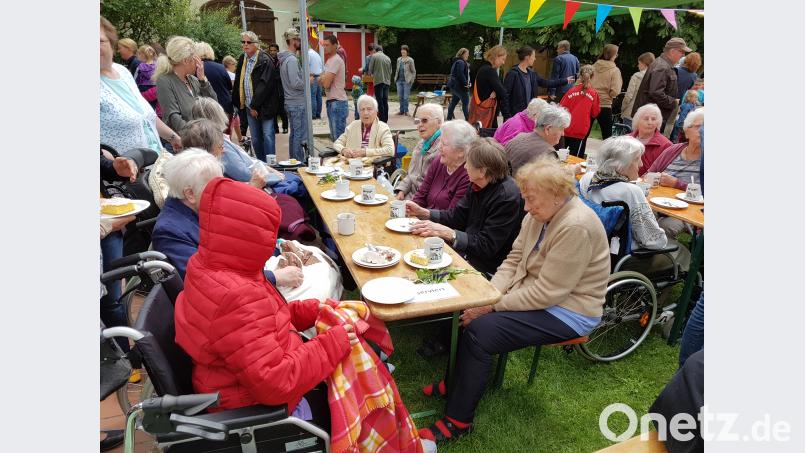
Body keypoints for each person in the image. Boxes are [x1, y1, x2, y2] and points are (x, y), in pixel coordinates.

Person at [418, 156, 609, 444]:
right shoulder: (539, 213)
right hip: (539, 294)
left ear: (558, 196)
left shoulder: (575, 226)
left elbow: (548, 293)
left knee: (481, 332)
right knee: (467, 308)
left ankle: (457, 421)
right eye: (525, 199)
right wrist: (487, 296)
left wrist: (491, 306)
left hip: (571, 310)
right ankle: (458, 383)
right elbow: (514, 259)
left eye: (532, 200)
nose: (527, 208)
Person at [173, 176, 360, 423]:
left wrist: (312, 310)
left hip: (226, 383)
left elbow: (259, 324)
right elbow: (276, 382)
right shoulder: (238, 295)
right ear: (254, 236)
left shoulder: (210, 266)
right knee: (354, 373)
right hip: (256, 409)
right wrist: (331, 343)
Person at [152, 148, 303, 291]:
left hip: (246, 280)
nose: (222, 191)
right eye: (215, 187)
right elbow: (206, 284)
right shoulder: (170, 232)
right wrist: (274, 277)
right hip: (229, 302)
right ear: (190, 194)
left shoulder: (197, 208)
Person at [405, 137, 524, 276]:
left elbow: (487, 246)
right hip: (468, 255)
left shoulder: (506, 197)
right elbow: (457, 216)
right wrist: (423, 212)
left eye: (468, 163)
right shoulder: (477, 184)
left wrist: (449, 233)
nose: (465, 167)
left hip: (488, 269)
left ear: (482, 171)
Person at [100, 16, 181, 154]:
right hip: (125, 173)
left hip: (156, 162)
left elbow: (146, 115)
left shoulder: (122, 71)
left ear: (111, 43)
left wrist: (174, 138)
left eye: (100, 41)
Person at [578, 136, 669, 253]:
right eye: (637, 159)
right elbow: (654, 242)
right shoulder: (630, 191)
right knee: (681, 252)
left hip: (586, 245)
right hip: (617, 254)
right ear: (620, 164)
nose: (641, 164)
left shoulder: (588, 178)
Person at [190, 98, 284, 188]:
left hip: (259, 178)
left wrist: (270, 169)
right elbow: (246, 175)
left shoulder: (218, 140)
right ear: (217, 115)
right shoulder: (219, 144)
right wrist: (275, 176)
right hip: (258, 184)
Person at [647, 108, 704, 236]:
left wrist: (677, 184)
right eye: (699, 127)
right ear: (687, 131)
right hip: (657, 201)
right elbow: (648, 175)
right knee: (640, 215)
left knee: (665, 228)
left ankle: (658, 254)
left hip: (689, 211)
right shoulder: (673, 150)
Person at [231, 31, 281, 162]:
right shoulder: (243, 58)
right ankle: (261, 163)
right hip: (248, 106)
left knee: (268, 135)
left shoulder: (265, 60)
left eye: (248, 42)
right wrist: (238, 102)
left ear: (256, 44)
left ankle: (271, 164)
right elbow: (238, 81)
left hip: (265, 106)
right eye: (243, 42)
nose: (245, 45)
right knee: (256, 138)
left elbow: (265, 85)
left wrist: (255, 106)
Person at [154, 36, 218, 133]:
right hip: (183, 142)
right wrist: (196, 136)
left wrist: (203, 80)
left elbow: (213, 104)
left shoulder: (192, 79)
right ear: (185, 61)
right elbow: (173, 117)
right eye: (196, 58)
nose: (199, 63)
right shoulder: (164, 80)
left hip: (201, 138)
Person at [632, 37, 692, 133]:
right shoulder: (663, 67)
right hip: (650, 118)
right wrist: (673, 102)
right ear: (672, 51)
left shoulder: (663, 64)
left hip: (650, 116)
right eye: (681, 52)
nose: (683, 55)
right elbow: (656, 92)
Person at [413, 120, 474, 210]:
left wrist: (422, 213)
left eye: (444, 144)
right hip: (423, 220)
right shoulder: (438, 162)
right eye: (440, 142)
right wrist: (411, 209)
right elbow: (421, 194)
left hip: (441, 223)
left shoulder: (468, 176)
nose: (439, 147)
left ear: (461, 151)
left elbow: (452, 216)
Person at [503, 46, 572, 121]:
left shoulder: (532, 74)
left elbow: (546, 83)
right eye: (533, 56)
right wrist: (507, 116)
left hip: (528, 115)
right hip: (515, 117)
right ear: (527, 57)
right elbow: (505, 96)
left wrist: (565, 80)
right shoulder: (513, 74)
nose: (535, 59)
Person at [394, 103, 444, 200]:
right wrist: (401, 190)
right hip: (410, 196)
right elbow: (411, 174)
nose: (419, 125)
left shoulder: (442, 149)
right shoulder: (421, 144)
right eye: (417, 121)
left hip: (424, 202)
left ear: (438, 122)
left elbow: (432, 190)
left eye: (424, 120)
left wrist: (410, 203)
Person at [504, 104, 567, 175]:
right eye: (561, 129)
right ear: (548, 129)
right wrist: (571, 172)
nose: (563, 134)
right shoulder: (548, 153)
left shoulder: (519, 137)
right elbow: (554, 183)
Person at [331, 95, 394, 163]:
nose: (365, 113)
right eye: (362, 109)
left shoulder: (383, 127)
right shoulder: (353, 125)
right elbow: (337, 143)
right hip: (350, 164)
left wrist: (365, 152)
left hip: (372, 166)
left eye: (369, 109)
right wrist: (343, 150)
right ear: (359, 112)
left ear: (376, 112)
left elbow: (390, 150)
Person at [279, 28, 309, 162]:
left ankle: (294, 161)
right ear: (292, 41)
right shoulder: (291, 60)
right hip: (296, 103)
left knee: (294, 134)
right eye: (297, 39)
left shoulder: (287, 58)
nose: (300, 42)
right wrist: (308, 82)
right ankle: (298, 163)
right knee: (299, 135)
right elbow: (295, 83)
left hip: (292, 102)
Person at [560, 65, 600, 156]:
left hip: (566, 128)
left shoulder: (571, 91)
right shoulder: (593, 94)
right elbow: (595, 113)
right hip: (580, 131)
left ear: (580, 76)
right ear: (592, 77)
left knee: (560, 157)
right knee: (575, 160)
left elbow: (561, 108)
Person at [195, 42, 234, 127]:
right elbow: (229, 86)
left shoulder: (195, 68)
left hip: (204, 109)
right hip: (224, 107)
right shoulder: (220, 67)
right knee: (225, 136)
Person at [320, 35, 349, 141]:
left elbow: (325, 84)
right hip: (333, 102)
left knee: (339, 140)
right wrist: (323, 78)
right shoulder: (330, 60)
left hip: (338, 102)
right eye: (324, 45)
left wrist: (324, 78)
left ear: (335, 46)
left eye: (327, 45)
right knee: (335, 138)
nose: (325, 47)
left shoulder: (336, 60)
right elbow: (321, 80)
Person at [590, 44, 622, 140]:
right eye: (616, 54)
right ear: (613, 55)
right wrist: (610, 95)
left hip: (590, 102)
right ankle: (606, 155)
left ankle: (578, 154)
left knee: (583, 134)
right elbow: (615, 91)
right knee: (607, 136)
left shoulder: (592, 67)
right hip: (605, 104)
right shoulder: (615, 71)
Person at [629, 103, 672, 173]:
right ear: (637, 121)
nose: (650, 122)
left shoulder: (666, 145)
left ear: (658, 122)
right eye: (646, 119)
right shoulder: (626, 140)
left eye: (653, 119)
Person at [473, 45, 510, 127]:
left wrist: (496, 91)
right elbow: (503, 92)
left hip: (482, 112)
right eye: (503, 59)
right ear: (496, 56)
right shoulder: (489, 71)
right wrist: (497, 91)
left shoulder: (483, 68)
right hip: (487, 113)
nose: (503, 62)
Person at [620, 52, 655, 128]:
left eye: (639, 63)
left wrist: (623, 108)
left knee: (627, 138)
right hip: (646, 114)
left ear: (644, 63)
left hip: (631, 112)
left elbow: (629, 96)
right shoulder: (656, 78)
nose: (638, 65)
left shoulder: (636, 76)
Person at [368, 44, 392, 122]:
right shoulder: (388, 58)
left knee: (379, 100)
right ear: (382, 50)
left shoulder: (374, 56)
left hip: (378, 81)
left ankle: (381, 119)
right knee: (385, 100)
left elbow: (370, 70)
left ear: (376, 50)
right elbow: (391, 71)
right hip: (387, 82)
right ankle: (386, 119)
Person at [267, 43, 289, 134]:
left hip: (280, 89)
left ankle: (285, 127)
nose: (272, 52)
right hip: (271, 90)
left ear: (277, 51)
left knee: (282, 109)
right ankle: (275, 128)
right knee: (273, 110)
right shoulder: (267, 61)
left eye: (274, 50)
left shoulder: (281, 61)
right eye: (271, 51)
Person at [446, 48, 471, 120]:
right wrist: (465, 84)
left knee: (453, 102)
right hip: (459, 86)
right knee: (465, 102)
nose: (468, 55)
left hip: (454, 86)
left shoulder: (457, 61)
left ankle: (449, 119)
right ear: (462, 54)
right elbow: (460, 73)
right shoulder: (461, 62)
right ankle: (468, 120)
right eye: (467, 54)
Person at [395, 45, 416, 116]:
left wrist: (412, 80)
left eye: (404, 50)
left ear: (407, 51)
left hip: (407, 81)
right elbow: (397, 70)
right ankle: (401, 111)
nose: (402, 51)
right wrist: (395, 78)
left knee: (406, 97)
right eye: (402, 50)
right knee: (400, 96)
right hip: (399, 81)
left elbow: (413, 71)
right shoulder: (399, 59)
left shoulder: (410, 60)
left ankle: (406, 111)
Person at [308, 46, 324, 120]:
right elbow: (322, 67)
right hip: (319, 76)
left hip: (313, 77)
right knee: (319, 96)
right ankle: (318, 114)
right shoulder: (317, 54)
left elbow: (306, 66)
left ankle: (313, 115)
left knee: (313, 96)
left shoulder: (308, 54)